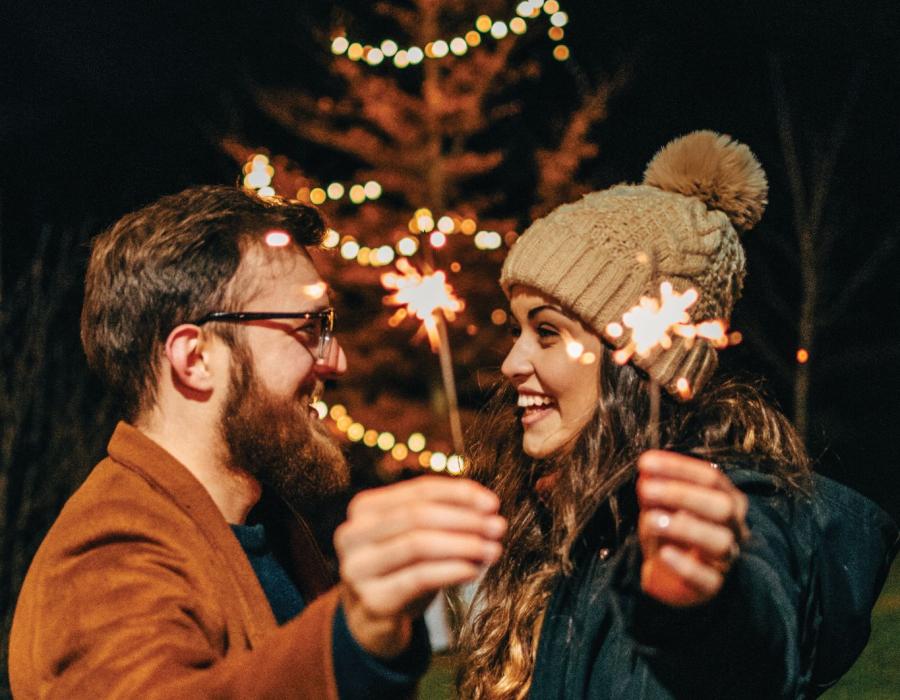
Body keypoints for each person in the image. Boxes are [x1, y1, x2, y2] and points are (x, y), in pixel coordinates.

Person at [9, 186, 507, 698]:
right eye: (309, 327)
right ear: (195, 358)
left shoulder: (270, 525)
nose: (337, 362)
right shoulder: (107, 554)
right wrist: (352, 637)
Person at [457, 131, 898, 699]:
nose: (513, 362)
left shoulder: (733, 510)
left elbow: (747, 646)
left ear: (640, 356)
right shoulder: (561, 514)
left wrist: (702, 608)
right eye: (516, 330)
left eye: (547, 332)